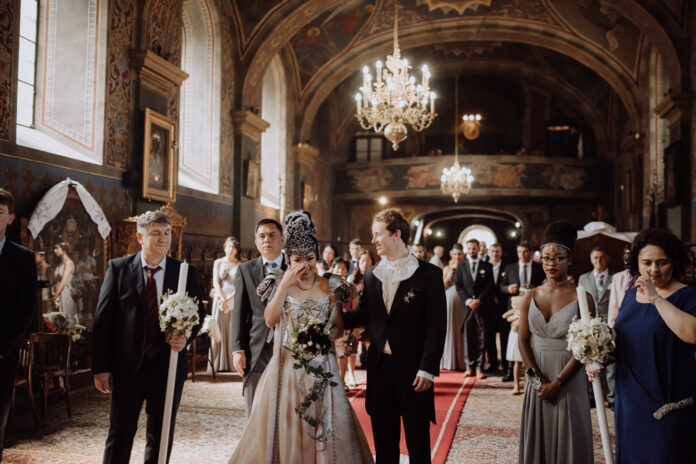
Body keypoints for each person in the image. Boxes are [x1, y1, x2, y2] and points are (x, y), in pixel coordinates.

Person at [228, 211, 373, 463]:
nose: (304, 265)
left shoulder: (330, 284)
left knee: (325, 422)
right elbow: (271, 320)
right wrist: (284, 284)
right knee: (289, 422)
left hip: (323, 364)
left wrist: (324, 334)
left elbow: (337, 327)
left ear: (316, 257)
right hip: (288, 366)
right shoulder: (277, 283)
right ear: (288, 258)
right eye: (297, 259)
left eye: (310, 258)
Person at [92, 210, 205, 464]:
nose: (163, 238)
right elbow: (102, 322)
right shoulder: (118, 269)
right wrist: (101, 367)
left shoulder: (183, 272)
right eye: (156, 233)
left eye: (167, 233)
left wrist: (185, 336)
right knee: (120, 433)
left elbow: (198, 312)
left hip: (167, 367)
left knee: (161, 434)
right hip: (127, 368)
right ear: (140, 237)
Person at [344, 208, 446, 463]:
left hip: (414, 371)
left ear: (396, 234)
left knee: (418, 444)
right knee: (384, 444)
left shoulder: (429, 275)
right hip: (379, 369)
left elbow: (437, 326)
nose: (374, 240)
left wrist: (427, 369)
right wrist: (327, 312)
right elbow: (363, 315)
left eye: (378, 234)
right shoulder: (371, 274)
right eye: (373, 235)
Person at [592, 229, 696, 463]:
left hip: (666, 402)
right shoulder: (629, 296)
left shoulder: (688, 295)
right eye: (646, 262)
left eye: (662, 262)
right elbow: (626, 342)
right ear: (636, 263)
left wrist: (655, 297)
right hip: (630, 399)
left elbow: (692, 334)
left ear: (674, 262)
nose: (654, 270)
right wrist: (601, 358)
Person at [518, 221, 593, 464]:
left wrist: (558, 382)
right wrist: (536, 377)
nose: (551, 263)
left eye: (558, 258)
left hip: (568, 373)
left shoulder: (582, 296)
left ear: (569, 259)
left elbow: (586, 346)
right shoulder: (530, 295)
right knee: (539, 434)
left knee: (569, 432)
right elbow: (522, 339)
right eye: (547, 258)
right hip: (537, 373)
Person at [230, 218, 287, 417]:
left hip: (289, 345)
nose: (267, 240)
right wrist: (237, 349)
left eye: (272, 235)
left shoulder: (296, 268)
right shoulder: (245, 270)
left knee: (285, 411)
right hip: (256, 348)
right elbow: (239, 311)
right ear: (256, 242)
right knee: (254, 411)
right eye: (261, 236)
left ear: (282, 239)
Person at [0, 189, 37, 462]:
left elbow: (26, 312)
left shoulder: (22, 259)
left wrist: (1, 348)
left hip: (1, 355)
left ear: (10, 218)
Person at [499, 241, 544, 382]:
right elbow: (501, 286)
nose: (522, 255)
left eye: (525, 252)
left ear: (531, 252)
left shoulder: (540, 268)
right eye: (519, 252)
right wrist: (507, 289)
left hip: (534, 308)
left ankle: (532, 370)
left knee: (531, 341)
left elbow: (545, 286)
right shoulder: (510, 268)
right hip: (514, 310)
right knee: (511, 340)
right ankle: (509, 371)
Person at [578, 245, 614, 405]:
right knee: (591, 359)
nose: (598, 261)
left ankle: (612, 397)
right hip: (591, 324)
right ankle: (593, 395)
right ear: (591, 260)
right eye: (595, 258)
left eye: (601, 257)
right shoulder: (583, 278)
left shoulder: (616, 278)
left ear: (607, 259)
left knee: (612, 361)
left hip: (611, 324)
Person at [455, 238, 494, 379]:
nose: (472, 251)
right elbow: (458, 285)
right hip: (467, 308)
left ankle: (479, 368)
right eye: (469, 248)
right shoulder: (461, 266)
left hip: (481, 307)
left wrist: (479, 300)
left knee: (481, 338)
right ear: (467, 250)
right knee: (468, 338)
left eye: (474, 248)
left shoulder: (487, 266)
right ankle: (469, 367)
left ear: (479, 249)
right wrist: (468, 301)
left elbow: (490, 285)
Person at [210, 236, 241, 372]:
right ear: (224, 248)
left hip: (232, 298)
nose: (230, 249)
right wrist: (222, 300)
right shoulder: (218, 262)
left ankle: (229, 363)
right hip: (219, 298)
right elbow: (216, 282)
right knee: (217, 328)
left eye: (232, 247)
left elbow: (239, 285)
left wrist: (229, 299)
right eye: (228, 247)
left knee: (231, 329)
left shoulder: (239, 265)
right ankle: (217, 363)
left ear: (236, 250)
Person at [441, 244, 466, 370]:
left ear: (463, 255)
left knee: (461, 328)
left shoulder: (466, 268)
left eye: (459, 254)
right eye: (455, 254)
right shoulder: (446, 268)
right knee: (450, 328)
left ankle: (462, 360)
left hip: (462, 300)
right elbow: (443, 286)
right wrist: (450, 276)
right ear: (452, 254)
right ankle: (449, 361)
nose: (457, 256)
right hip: (449, 299)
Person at [485, 243, 508, 374]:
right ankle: (493, 363)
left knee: (504, 336)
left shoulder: (507, 267)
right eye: (492, 251)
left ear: (501, 253)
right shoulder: (484, 266)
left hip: (502, 306)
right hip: (487, 308)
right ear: (488, 253)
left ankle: (505, 364)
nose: (494, 254)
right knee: (489, 336)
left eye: (497, 251)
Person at [53, 242, 78, 317]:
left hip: (66, 293)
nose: (55, 250)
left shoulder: (68, 263)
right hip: (59, 293)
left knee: (67, 320)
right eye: (55, 248)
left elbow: (63, 282)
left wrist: (55, 297)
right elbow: (55, 280)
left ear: (64, 250)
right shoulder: (60, 263)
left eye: (57, 248)